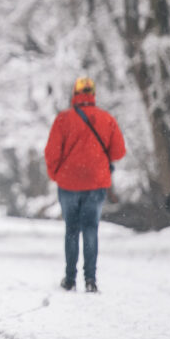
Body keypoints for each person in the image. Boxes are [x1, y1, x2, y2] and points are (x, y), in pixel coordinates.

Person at [44, 76, 125, 293]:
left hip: (68, 184)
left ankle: (70, 279)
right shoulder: (106, 119)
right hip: (96, 184)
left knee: (71, 230)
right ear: (93, 94)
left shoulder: (63, 119)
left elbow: (51, 152)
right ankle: (90, 279)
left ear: (75, 94)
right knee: (91, 229)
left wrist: (57, 175)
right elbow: (118, 152)